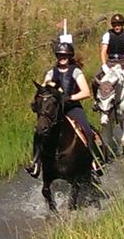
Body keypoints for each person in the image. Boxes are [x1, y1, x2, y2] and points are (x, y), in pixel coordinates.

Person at [25, 41, 105, 179]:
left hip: (72, 107)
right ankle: (36, 162)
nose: (62, 57)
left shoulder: (75, 71)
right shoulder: (51, 72)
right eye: (60, 55)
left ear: (69, 56)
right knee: (39, 130)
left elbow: (86, 92)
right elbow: (44, 89)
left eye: (65, 55)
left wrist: (69, 97)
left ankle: (94, 160)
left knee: (85, 129)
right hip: (55, 110)